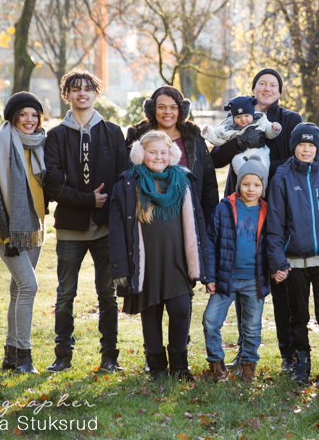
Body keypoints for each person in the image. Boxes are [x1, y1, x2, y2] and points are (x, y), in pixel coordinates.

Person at [211, 68, 302, 373]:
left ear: (279, 90)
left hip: (276, 205)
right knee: (243, 278)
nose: (266, 87)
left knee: (278, 281)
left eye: (273, 84)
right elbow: (215, 158)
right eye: (261, 83)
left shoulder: (289, 120)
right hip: (241, 204)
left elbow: (295, 159)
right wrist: (238, 145)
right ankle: (244, 352)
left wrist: (257, 167)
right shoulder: (238, 114)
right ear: (253, 89)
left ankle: (288, 354)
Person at [43, 69, 128, 373]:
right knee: (66, 293)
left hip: (106, 229)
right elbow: (53, 186)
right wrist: (87, 200)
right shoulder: (54, 136)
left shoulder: (113, 132)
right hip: (70, 229)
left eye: (88, 89)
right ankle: (62, 355)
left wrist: (105, 209)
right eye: (75, 89)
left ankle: (109, 356)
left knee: (107, 294)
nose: (82, 94)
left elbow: (123, 179)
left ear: (96, 93)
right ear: (66, 94)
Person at [109, 131, 208, 380]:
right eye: (152, 152)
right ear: (141, 154)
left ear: (172, 154)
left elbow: (197, 223)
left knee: (180, 311)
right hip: (146, 263)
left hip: (176, 261)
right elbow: (117, 229)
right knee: (150, 314)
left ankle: (179, 365)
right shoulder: (128, 184)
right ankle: (156, 367)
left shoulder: (183, 181)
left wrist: (203, 263)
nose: (158, 157)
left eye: (164, 152)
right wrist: (121, 267)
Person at [267, 123, 319, 389]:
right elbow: (274, 224)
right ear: (294, 147)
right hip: (293, 263)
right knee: (298, 316)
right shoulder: (281, 177)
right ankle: (300, 363)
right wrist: (277, 261)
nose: (306, 149)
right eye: (302, 145)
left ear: (317, 147)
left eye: (311, 145)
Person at [0, 92, 47, 374]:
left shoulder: (40, 145)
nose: (30, 120)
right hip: (8, 230)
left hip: (34, 230)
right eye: (24, 114)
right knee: (29, 287)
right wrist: (9, 235)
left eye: (34, 115)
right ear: (13, 116)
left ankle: (10, 356)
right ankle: (24, 357)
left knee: (17, 290)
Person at [202, 156, 271, 383]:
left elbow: (276, 243)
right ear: (238, 184)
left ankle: (248, 364)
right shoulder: (224, 209)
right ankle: (216, 363)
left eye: (257, 185)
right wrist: (210, 277)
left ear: (263, 186)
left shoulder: (268, 212)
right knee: (211, 321)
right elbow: (211, 244)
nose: (251, 189)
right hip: (226, 279)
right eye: (246, 184)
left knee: (252, 327)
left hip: (254, 280)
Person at [126, 86, 218, 226]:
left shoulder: (194, 138)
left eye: (173, 107)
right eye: (161, 107)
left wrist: (206, 223)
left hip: (189, 220)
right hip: (147, 221)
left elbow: (208, 184)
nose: (168, 112)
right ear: (152, 109)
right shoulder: (137, 138)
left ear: (181, 110)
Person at [202, 96, 282, 176]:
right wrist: (209, 134)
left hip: (259, 151)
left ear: (252, 115)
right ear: (233, 118)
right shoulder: (230, 128)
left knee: (264, 162)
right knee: (236, 161)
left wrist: (274, 129)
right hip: (240, 154)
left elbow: (269, 132)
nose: (243, 119)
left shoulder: (260, 121)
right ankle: (244, 178)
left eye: (246, 116)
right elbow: (219, 141)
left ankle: (261, 179)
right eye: (238, 117)